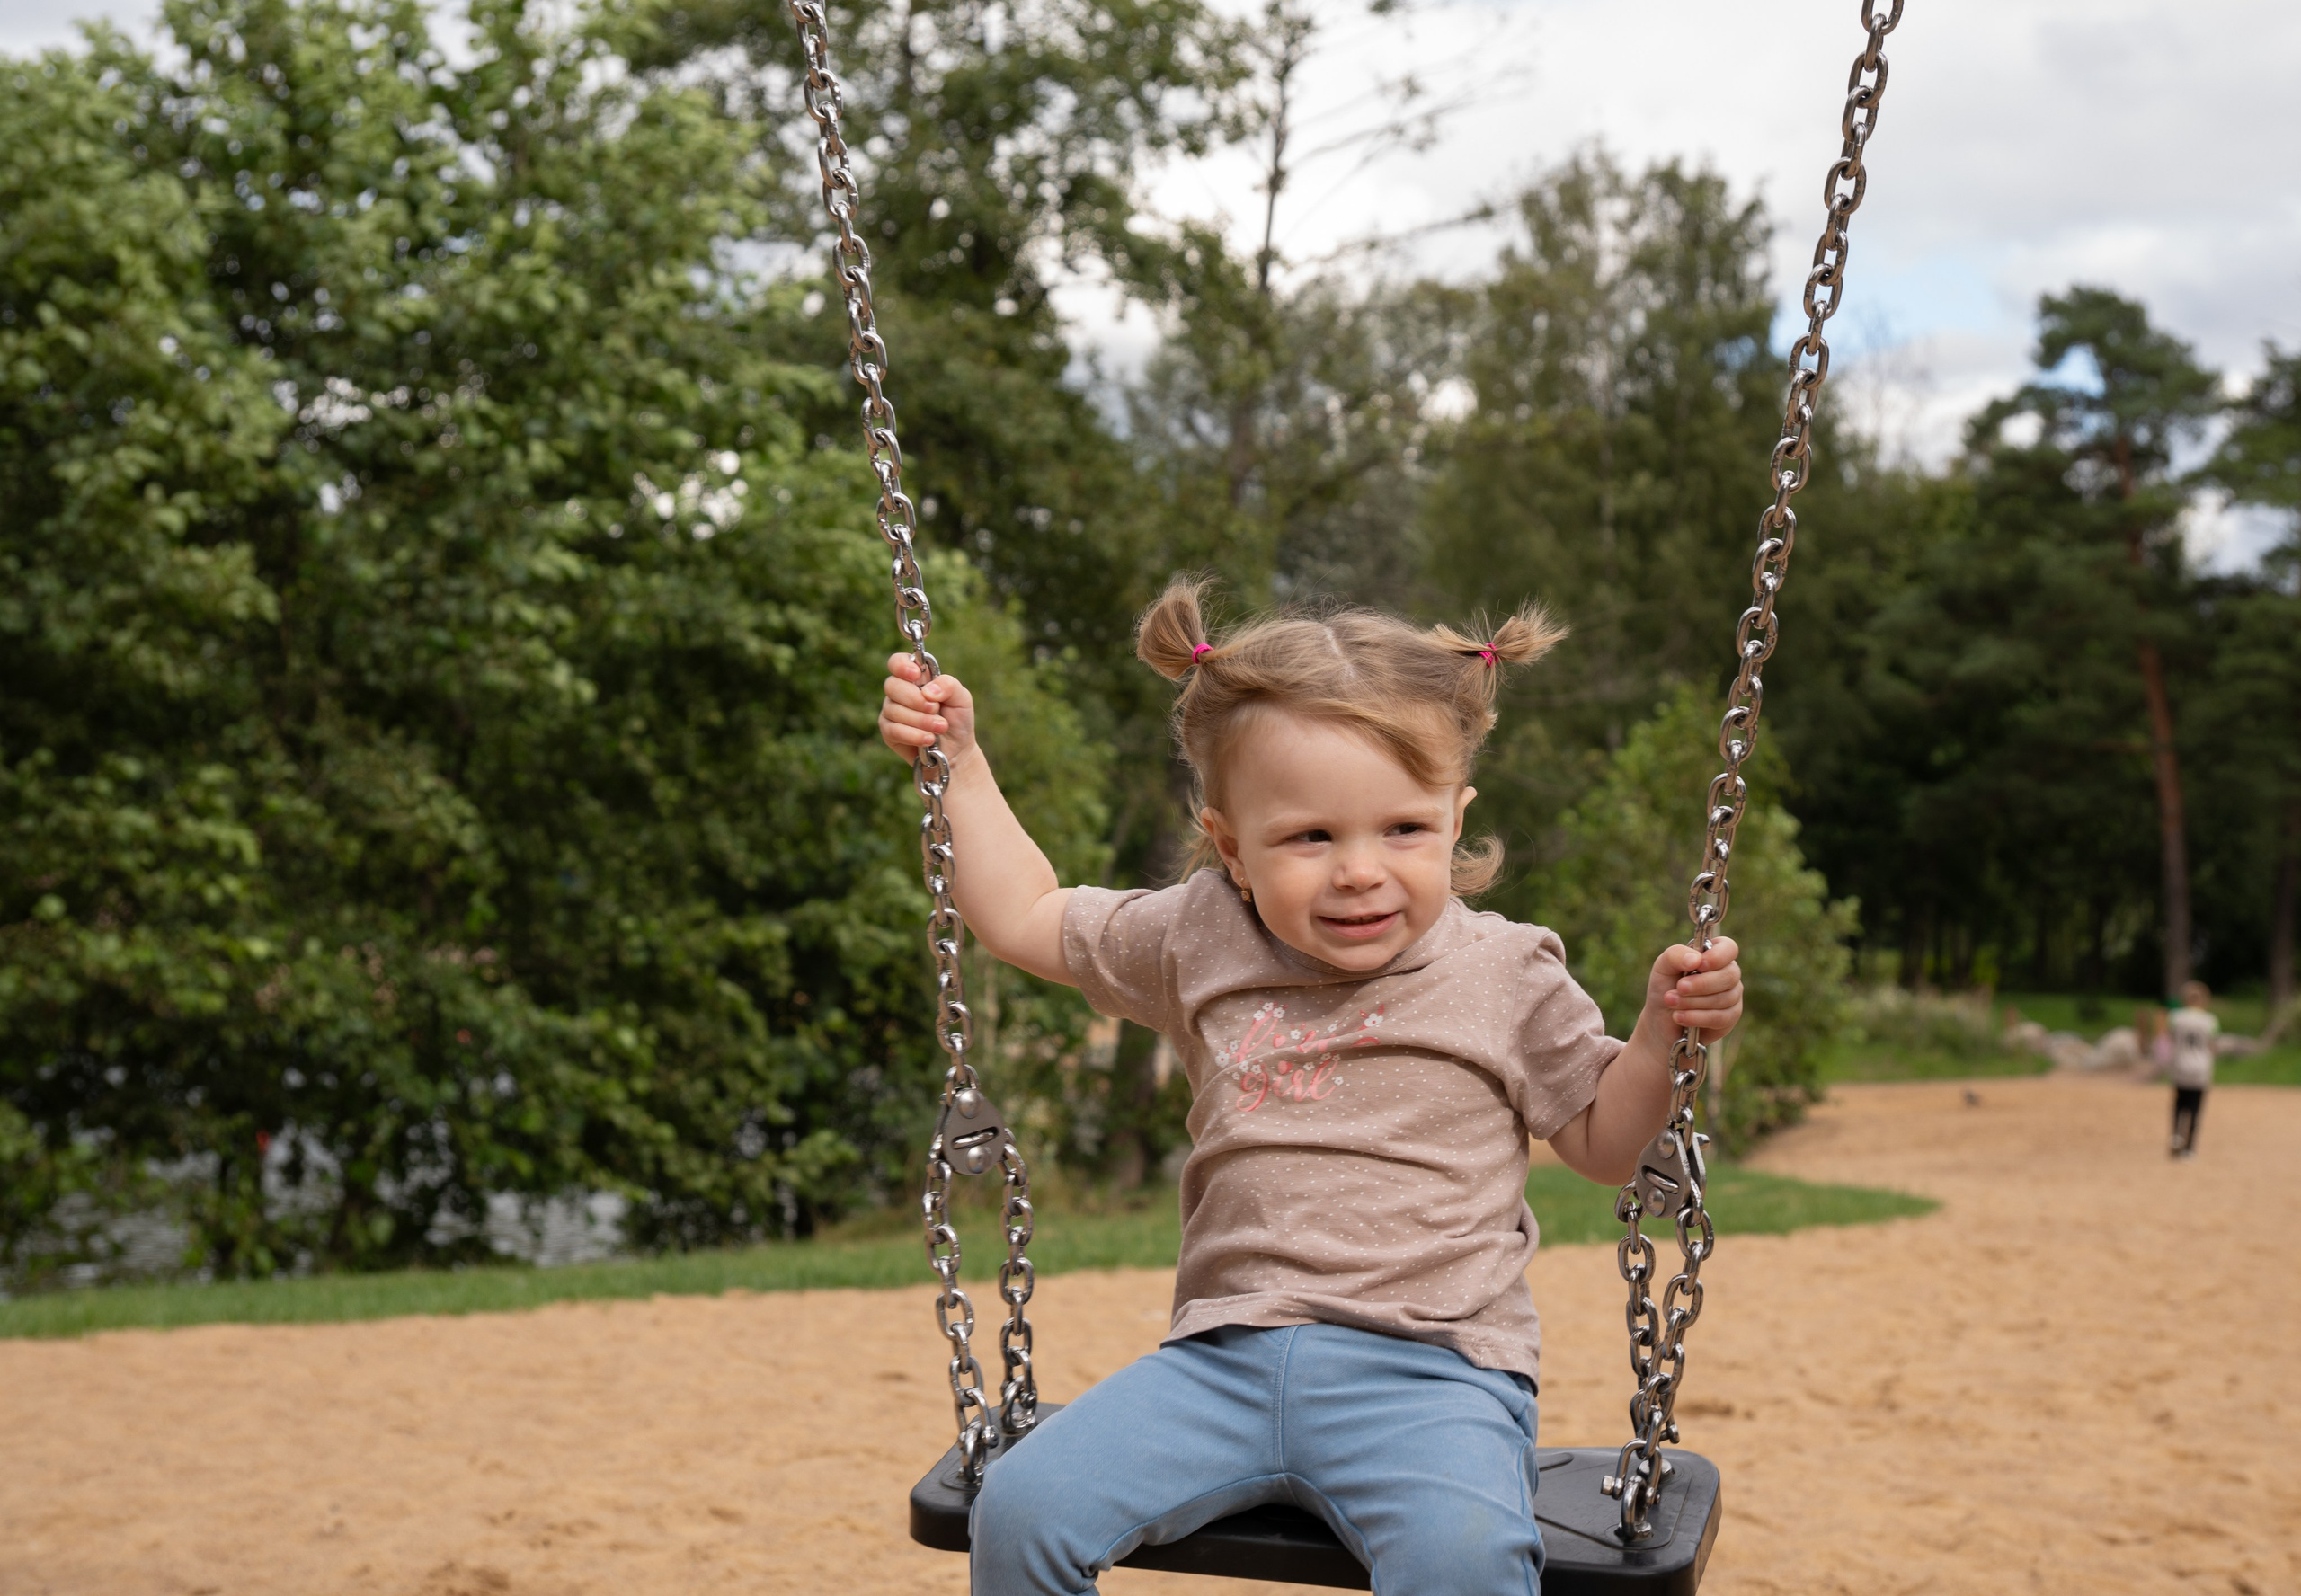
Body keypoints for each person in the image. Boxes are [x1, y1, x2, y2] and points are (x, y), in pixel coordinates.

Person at [878, 579, 1745, 1596]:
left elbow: (1604, 1143)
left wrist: (1658, 1033)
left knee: (1464, 1564)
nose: (1360, 873)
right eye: (1311, 838)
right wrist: (961, 765)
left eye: (1404, 831)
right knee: (1018, 1512)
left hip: (1434, 1379)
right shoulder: (1200, 935)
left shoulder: (1506, 973)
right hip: (1217, 1364)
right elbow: (1023, 912)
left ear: (1456, 818)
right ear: (1232, 846)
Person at [2166, 980, 2218, 1158]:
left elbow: (2171, 1040)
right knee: (2195, 1108)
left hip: (2180, 1065)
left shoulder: (2176, 1017)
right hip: (2200, 1068)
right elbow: (2212, 1046)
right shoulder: (2210, 1020)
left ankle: (2176, 1135)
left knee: (2179, 1105)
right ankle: (2189, 1148)